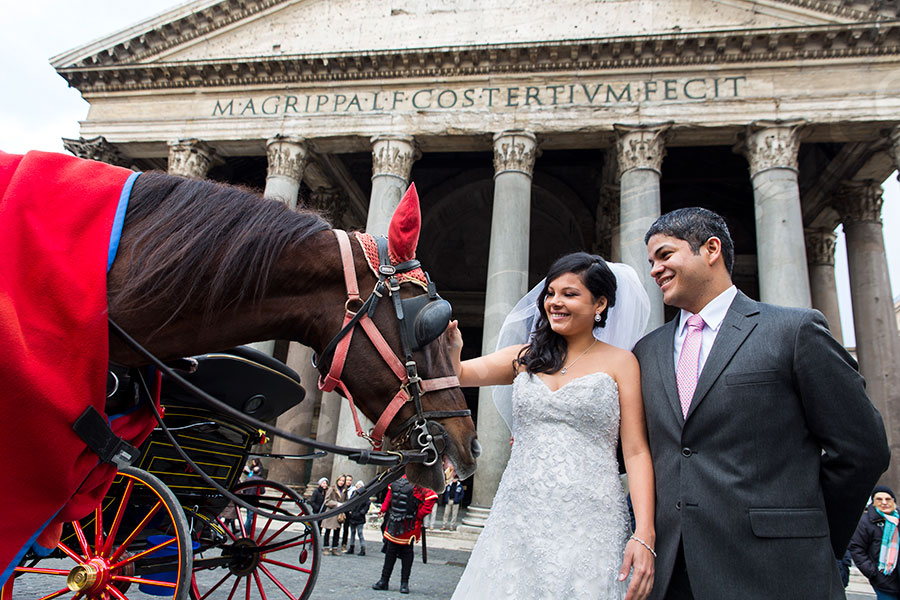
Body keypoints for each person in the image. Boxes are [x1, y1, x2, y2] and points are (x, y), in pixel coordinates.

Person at [634, 207, 890, 600]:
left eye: (665, 255)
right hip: (673, 574)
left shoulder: (793, 330)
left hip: (778, 570)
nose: (654, 270)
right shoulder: (647, 351)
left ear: (711, 249)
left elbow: (862, 447)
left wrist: (812, 528)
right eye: (651, 261)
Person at [448, 252, 656, 600]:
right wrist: (454, 350)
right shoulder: (525, 356)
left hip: (591, 516)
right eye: (551, 293)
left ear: (599, 303)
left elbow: (635, 451)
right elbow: (460, 375)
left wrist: (644, 532)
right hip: (519, 512)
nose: (555, 303)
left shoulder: (622, 363)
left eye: (570, 294)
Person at [372, 475, 438, 594]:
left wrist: (418, 516)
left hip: (409, 525)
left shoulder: (420, 482)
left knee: (407, 555)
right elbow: (390, 493)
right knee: (390, 554)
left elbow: (431, 497)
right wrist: (384, 508)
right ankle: (384, 580)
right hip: (394, 521)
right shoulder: (397, 476)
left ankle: (404, 583)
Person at [849, 486, 900, 599]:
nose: (884, 502)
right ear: (873, 503)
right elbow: (856, 549)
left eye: (888, 499)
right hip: (883, 581)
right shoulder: (866, 522)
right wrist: (872, 572)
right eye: (879, 499)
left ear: (893, 501)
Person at [321, 475, 347, 555]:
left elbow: (347, 500)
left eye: (343, 481)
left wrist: (343, 505)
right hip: (331, 512)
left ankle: (334, 548)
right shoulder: (331, 489)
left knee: (337, 531)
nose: (341, 482)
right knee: (328, 530)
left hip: (339, 513)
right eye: (340, 480)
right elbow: (327, 501)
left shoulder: (344, 490)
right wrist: (336, 504)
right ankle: (326, 547)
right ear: (337, 480)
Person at [347, 480, 370, 556]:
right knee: (352, 533)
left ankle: (363, 548)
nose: (359, 487)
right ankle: (351, 547)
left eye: (360, 486)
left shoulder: (365, 495)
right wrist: (350, 511)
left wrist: (362, 512)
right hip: (353, 516)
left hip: (359, 517)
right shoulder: (353, 494)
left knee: (360, 533)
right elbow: (350, 503)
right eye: (358, 486)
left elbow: (367, 505)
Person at [340, 474, 353, 552]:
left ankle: (344, 544)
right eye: (347, 480)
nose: (348, 482)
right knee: (337, 528)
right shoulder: (341, 489)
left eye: (350, 480)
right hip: (340, 509)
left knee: (346, 529)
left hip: (348, 511)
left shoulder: (353, 490)